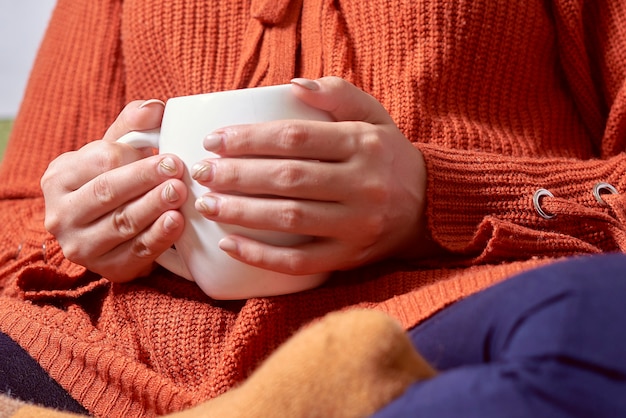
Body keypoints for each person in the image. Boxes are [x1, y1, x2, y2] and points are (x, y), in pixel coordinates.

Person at [1, 0, 625, 416]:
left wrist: (440, 197)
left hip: (442, 315)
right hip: (120, 352)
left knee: (598, 315)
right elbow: (15, 217)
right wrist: (86, 225)